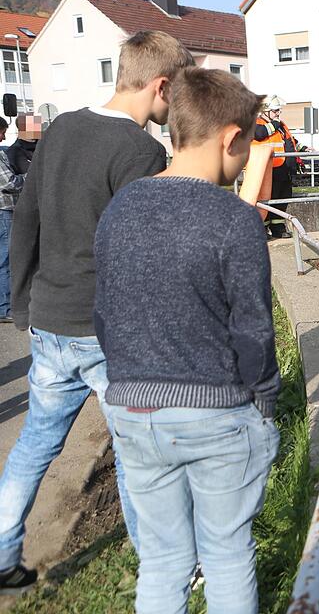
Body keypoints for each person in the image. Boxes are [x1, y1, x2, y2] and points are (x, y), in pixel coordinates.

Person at [1, 30, 194, 593]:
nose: (174, 109)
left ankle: (2, 556)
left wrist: (22, 305)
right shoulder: (141, 152)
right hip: (105, 332)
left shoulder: (60, 129)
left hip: (49, 321)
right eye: (174, 95)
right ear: (160, 86)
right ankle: (157, 570)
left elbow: (26, 219)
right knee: (138, 456)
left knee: (35, 444)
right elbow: (147, 255)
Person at [94, 67, 279, 612]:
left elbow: (104, 313)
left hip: (132, 409)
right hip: (217, 415)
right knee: (225, 555)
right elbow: (253, 329)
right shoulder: (234, 220)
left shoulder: (120, 207)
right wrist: (266, 403)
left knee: (163, 561)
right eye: (246, 144)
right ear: (230, 137)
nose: (246, 158)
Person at [254, 95, 296, 238]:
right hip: (267, 170)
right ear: (265, 111)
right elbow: (259, 134)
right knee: (266, 200)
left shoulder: (280, 125)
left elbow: (291, 139)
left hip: (284, 169)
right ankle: (263, 230)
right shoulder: (256, 123)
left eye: (279, 110)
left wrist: (303, 148)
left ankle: (278, 229)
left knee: (282, 199)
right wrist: (275, 125)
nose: (278, 113)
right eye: (275, 110)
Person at [0, 143, 25, 324]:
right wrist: (28, 177)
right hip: (4, 210)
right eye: (2, 132)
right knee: (5, 259)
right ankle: (5, 308)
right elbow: (9, 182)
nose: (3, 136)